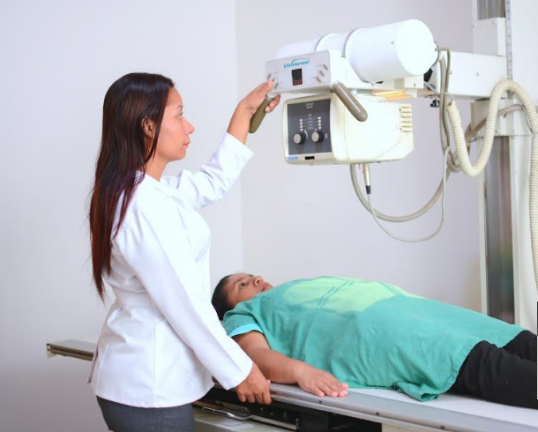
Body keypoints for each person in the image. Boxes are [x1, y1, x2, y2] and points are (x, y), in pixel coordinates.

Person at [88, 73, 280, 432]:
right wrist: (240, 370)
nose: (189, 126)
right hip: (150, 389)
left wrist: (244, 112)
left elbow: (212, 181)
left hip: (141, 381)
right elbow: (185, 302)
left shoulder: (148, 191)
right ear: (148, 126)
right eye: (179, 115)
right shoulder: (143, 204)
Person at [211, 273, 538, 410]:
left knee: (515, 339)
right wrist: (301, 372)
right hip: (381, 332)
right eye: (243, 284)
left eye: (251, 275)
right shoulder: (242, 315)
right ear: (232, 307)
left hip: (411, 308)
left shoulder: (294, 286)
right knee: (478, 361)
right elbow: (254, 355)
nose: (255, 279)